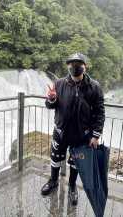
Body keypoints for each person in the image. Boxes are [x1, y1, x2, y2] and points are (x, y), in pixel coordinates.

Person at [41, 53, 105, 206]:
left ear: (85, 66)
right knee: (55, 158)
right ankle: (53, 181)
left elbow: (100, 112)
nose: (74, 67)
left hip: (82, 135)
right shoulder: (59, 83)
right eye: (71, 64)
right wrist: (51, 99)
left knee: (76, 162)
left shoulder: (94, 87)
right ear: (67, 66)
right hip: (61, 132)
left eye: (78, 63)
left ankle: (72, 187)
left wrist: (95, 135)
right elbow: (50, 106)